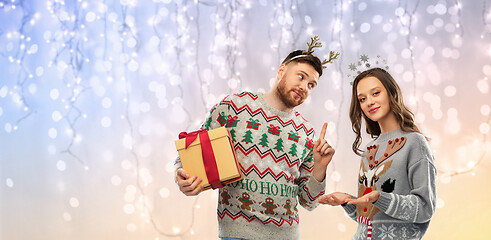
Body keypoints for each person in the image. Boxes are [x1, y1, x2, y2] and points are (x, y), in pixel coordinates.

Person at [174, 36, 338, 240]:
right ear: (281, 71)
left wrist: (320, 169)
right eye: (301, 77)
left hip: (286, 235)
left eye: (312, 85)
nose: (305, 87)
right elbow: (192, 147)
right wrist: (182, 175)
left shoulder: (306, 133)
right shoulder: (234, 107)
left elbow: (310, 202)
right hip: (237, 233)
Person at [317, 67, 437, 240]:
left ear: (392, 94)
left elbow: (425, 208)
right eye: (362, 99)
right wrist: (348, 201)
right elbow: (367, 218)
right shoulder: (369, 151)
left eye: (376, 93)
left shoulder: (414, 143)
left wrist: (380, 197)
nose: (369, 102)